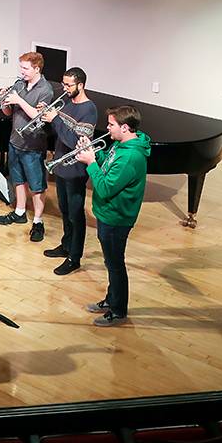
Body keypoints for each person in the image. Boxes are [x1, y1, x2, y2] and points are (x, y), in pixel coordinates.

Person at [74, 105, 151, 326]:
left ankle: (118, 311)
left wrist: (90, 163)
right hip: (107, 213)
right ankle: (111, 299)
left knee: (115, 264)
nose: (107, 128)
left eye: (111, 125)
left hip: (116, 218)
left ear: (125, 127)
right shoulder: (121, 144)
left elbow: (106, 187)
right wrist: (94, 152)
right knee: (111, 262)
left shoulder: (130, 157)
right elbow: (107, 161)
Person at [40, 67, 97, 275]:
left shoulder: (89, 109)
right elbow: (59, 133)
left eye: (68, 85)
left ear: (80, 85)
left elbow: (75, 143)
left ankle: (75, 257)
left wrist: (55, 119)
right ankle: (66, 245)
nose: (64, 89)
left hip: (75, 171)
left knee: (75, 214)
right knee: (64, 211)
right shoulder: (66, 103)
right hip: (61, 166)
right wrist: (46, 118)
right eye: (63, 84)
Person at [0, 51, 54, 241]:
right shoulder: (19, 84)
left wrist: (19, 100)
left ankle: (38, 221)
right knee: (18, 179)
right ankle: (20, 212)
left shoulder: (46, 89)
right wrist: (4, 100)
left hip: (33, 145)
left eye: (25, 68)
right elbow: (7, 112)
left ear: (37, 68)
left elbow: (38, 117)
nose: (22, 72)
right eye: (21, 67)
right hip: (15, 141)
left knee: (37, 186)